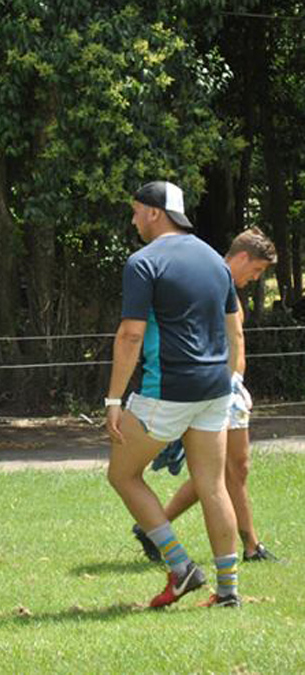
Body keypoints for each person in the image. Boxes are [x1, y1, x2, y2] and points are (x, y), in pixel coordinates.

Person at [104, 181, 242, 609]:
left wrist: (113, 400)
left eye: (136, 211)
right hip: (215, 388)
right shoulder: (215, 261)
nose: (133, 220)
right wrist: (230, 380)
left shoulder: (143, 262)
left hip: (166, 390)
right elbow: (233, 329)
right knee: (213, 486)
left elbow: (131, 335)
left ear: (154, 212)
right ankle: (228, 592)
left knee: (123, 475)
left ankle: (181, 567)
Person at [134, 227, 278, 562]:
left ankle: (154, 527)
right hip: (217, 388)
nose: (256, 278)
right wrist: (229, 383)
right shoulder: (213, 283)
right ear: (242, 257)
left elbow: (233, 339)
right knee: (232, 470)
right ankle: (251, 547)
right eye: (256, 269)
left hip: (222, 387)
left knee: (222, 471)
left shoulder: (216, 284)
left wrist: (236, 380)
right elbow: (225, 339)